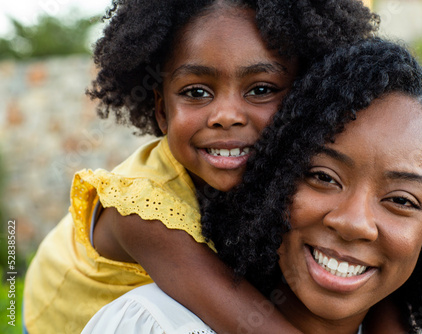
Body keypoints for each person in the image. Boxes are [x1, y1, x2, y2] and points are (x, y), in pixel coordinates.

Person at [83, 38, 422, 333]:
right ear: (271, 175)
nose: (354, 223)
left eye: (402, 200)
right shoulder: (149, 323)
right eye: (322, 177)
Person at [22, 0, 379, 333]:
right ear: (162, 111)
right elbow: (250, 324)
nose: (226, 116)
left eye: (260, 89)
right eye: (196, 92)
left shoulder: (291, 169)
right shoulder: (142, 212)